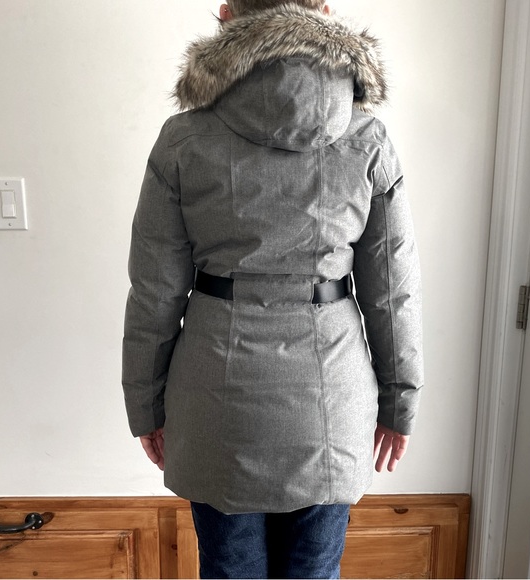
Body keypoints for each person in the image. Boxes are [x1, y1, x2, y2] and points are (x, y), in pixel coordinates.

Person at [122, 1, 424, 578]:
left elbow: (154, 294)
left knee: (230, 570)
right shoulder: (367, 138)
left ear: (226, 15)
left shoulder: (183, 139)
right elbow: (393, 292)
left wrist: (145, 403)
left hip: (214, 398)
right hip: (330, 402)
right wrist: (400, 400)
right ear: (324, 11)